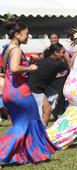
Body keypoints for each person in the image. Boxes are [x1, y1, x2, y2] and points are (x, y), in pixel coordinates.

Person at [0, 19, 58, 166]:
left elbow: (9, 68)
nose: (28, 36)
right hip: (20, 93)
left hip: (9, 92)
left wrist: (28, 62)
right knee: (24, 125)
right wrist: (30, 68)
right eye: (26, 34)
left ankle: (32, 154)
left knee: (25, 123)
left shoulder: (7, 47)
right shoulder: (17, 49)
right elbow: (14, 68)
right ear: (18, 35)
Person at [29, 42, 70, 126]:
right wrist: (67, 57)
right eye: (62, 52)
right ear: (56, 52)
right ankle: (42, 131)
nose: (63, 54)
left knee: (52, 100)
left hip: (34, 87)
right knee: (47, 110)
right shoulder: (56, 63)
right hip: (35, 89)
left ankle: (42, 130)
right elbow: (71, 66)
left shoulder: (45, 60)